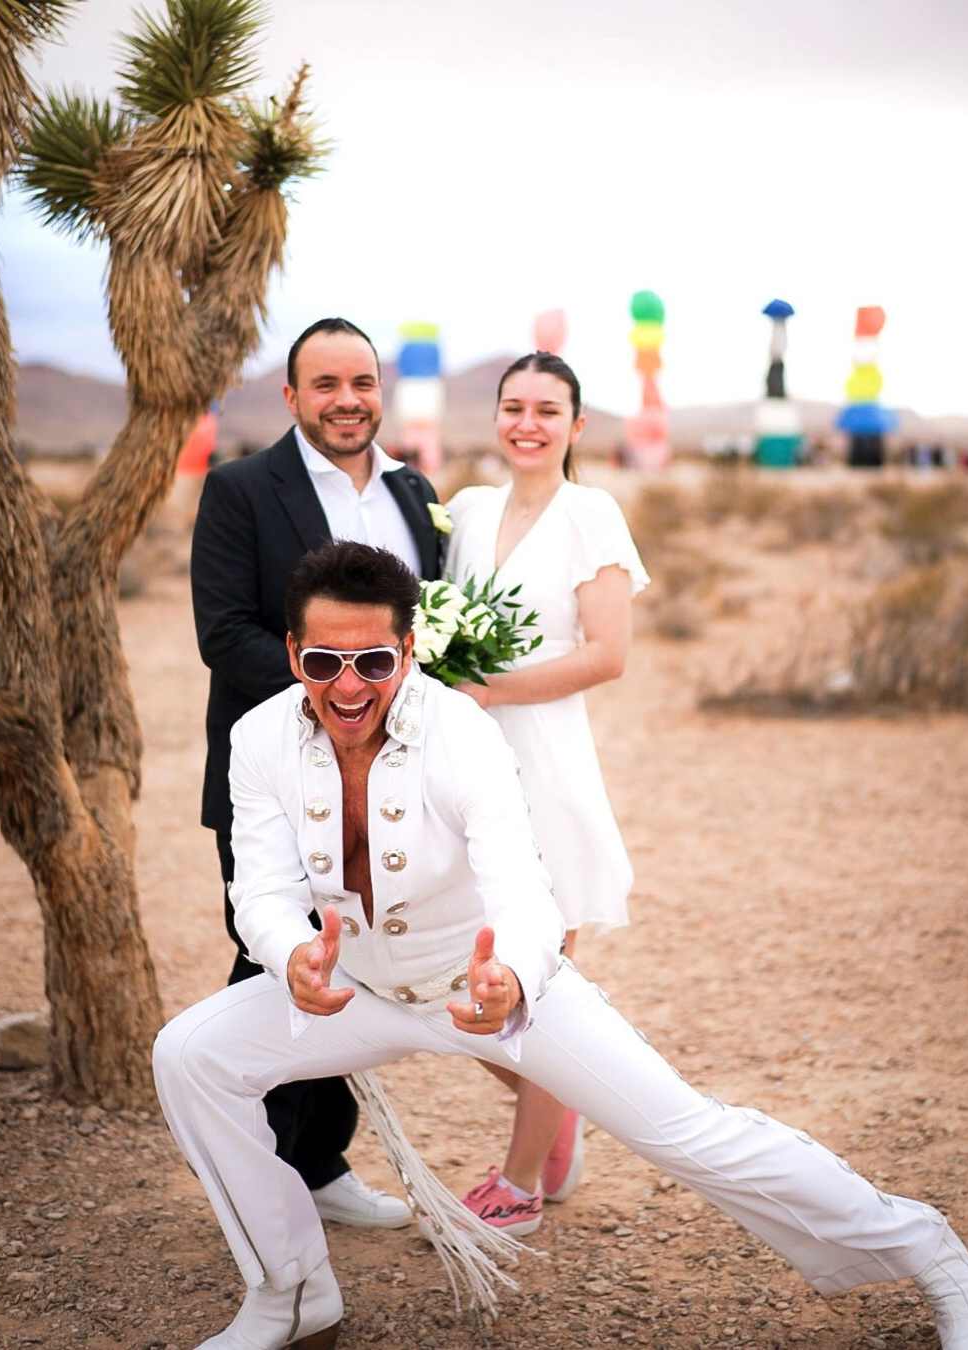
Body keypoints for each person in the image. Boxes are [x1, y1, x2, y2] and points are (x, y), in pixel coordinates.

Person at [154, 541, 968, 1350]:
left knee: (689, 1136)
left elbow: (522, 882)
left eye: (373, 661)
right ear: (294, 649)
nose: (348, 685)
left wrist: (514, 975)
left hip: (486, 983)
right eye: (323, 661)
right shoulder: (259, 735)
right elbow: (259, 886)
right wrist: (289, 953)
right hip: (354, 989)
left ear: (408, 651)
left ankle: (929, 1253)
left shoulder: (460, 730)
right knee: (190, 1054)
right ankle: (291, 1292)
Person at [189, 317, 444, 1230]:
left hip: (393, 782)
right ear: (292, 397)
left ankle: (319, 1164)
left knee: (358, 955)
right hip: (274, 768)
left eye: (363, 383)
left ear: (382, 391)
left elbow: (426, 631)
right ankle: (248, 1171)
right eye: (326, 384)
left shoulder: (416, 492)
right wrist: (342, 694)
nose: (348, 400)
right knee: (271, 957)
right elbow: (224, 635)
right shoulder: (241, 491)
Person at [444, 352, 647, 1229]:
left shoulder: (591, 514)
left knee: (531, 988)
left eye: (548, 409)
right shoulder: (473, 511)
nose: (528, 423)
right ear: (497, 415)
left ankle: (522, 1182)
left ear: (577, 424)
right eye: (514, 407)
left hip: (546, 767)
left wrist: (491, 687)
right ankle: (558, 1111)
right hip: (463, 769)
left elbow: (608, 654)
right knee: (455, 991)